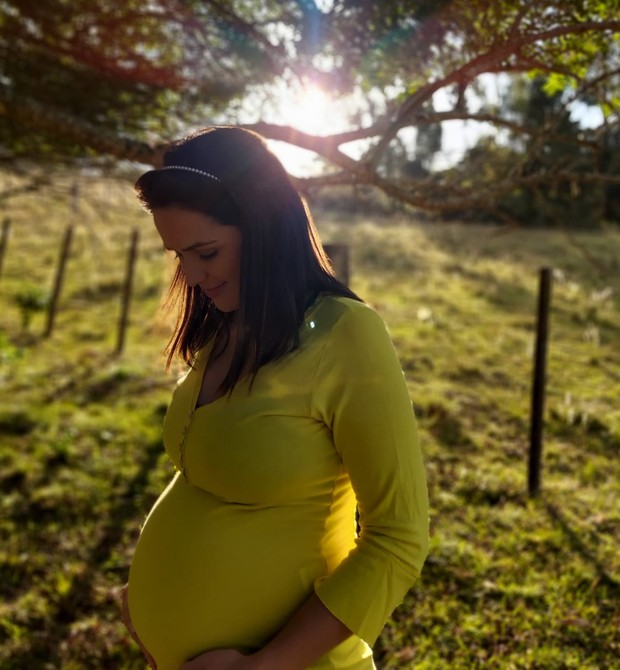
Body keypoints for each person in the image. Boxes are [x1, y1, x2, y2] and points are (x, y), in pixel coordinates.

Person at [122, 126, 429, 670]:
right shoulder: (227, 327)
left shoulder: (345, 334)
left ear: (263, 226)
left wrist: (261, 666)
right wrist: (147, 607)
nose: (191, 277)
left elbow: (398, 538)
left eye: (206, 252)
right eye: (178, 257)